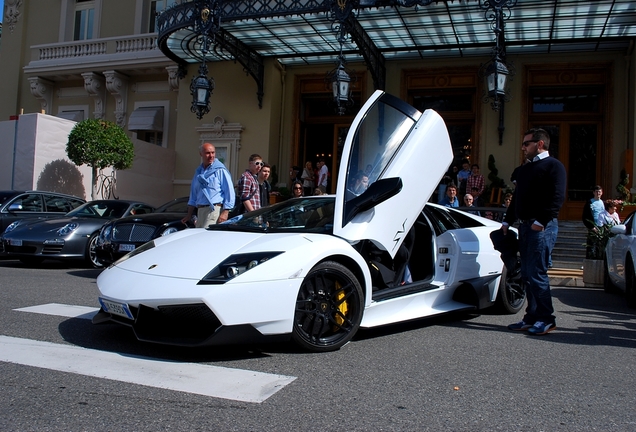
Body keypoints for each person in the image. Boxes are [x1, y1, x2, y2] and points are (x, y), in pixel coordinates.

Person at [503, 128, 566, 336]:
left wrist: (541, 221)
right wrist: (507, 220)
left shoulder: (553, 166)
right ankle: (532, 317)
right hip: (525, 226)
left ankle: (547, 319)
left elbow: (557, 197)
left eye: (526, 143)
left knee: (537, 273)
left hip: (541, 227)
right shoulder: (524, 169)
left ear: (540, 144)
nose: (523, 148)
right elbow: (517, 197)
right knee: (528, 275)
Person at [182, 142, 235, 227]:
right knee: (199, 237)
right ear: (201, 154)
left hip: (213, 210)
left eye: (213, 152)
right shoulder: (198, 173)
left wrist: (225, 212)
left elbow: (229, 191)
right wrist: (189, 215)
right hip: (200, 211)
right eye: (207, 153)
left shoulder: (220, 170)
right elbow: (193, 195)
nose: (211, 156)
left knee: (207, 237)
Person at [582, 185, 605, 258]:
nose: (598, 193)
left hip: (601, 227)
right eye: (597, 192)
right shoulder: (590, 202)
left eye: (600, 192)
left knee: (600, 245)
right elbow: (585, 216)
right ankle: (589, 260)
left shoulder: (603, 203)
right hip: (593, 227)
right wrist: (591, 227)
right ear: (594, 193)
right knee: (591, 245)